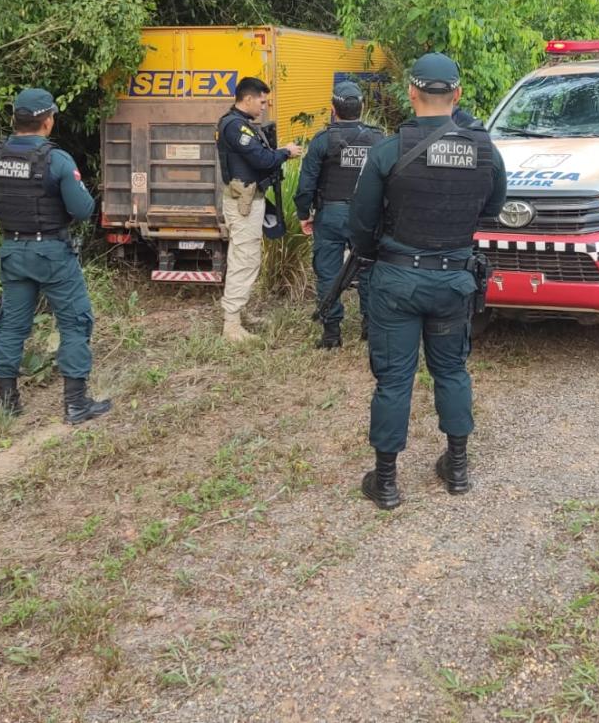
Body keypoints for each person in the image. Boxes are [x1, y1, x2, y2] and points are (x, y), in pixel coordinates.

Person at [348, 53, 507, 509]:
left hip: (397, 280)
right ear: (457, 94)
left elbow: (361, 225)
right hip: (454, 280)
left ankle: (386, 482)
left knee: (394, 380)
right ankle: (457, 468)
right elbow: (493, 207)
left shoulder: (388, 150)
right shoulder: (485, 151)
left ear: (411, 92)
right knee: (452, 371)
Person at [0, 88, 111, 425]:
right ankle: (76, 404)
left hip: (12, 251)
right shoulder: (56, 160)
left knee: (11, 326)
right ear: (47, 122)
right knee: (75, 321)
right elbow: (83, 209)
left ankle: (8, 404)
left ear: (14, 119)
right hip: (52, 253)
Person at [295, 82, 384, 349]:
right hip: (367, 216)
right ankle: (370, 327)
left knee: (328, 272)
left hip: (331, 215)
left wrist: (304, 214)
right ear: (362, 107)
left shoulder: (322, 140)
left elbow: (306, 184)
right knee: (370, 270)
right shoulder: (379, 139)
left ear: (333, 109)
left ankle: (331, 333)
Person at [217, 76, 302, 342]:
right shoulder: (235, 127)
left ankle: (239, 311)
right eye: (262, 102)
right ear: (248, 98)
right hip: (243, 204)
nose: (264, 106)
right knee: (245, 259)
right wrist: (285, 153)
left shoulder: (241, 124)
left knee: (243, 257)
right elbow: (261, 159)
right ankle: (231, 325)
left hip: (249, 200)